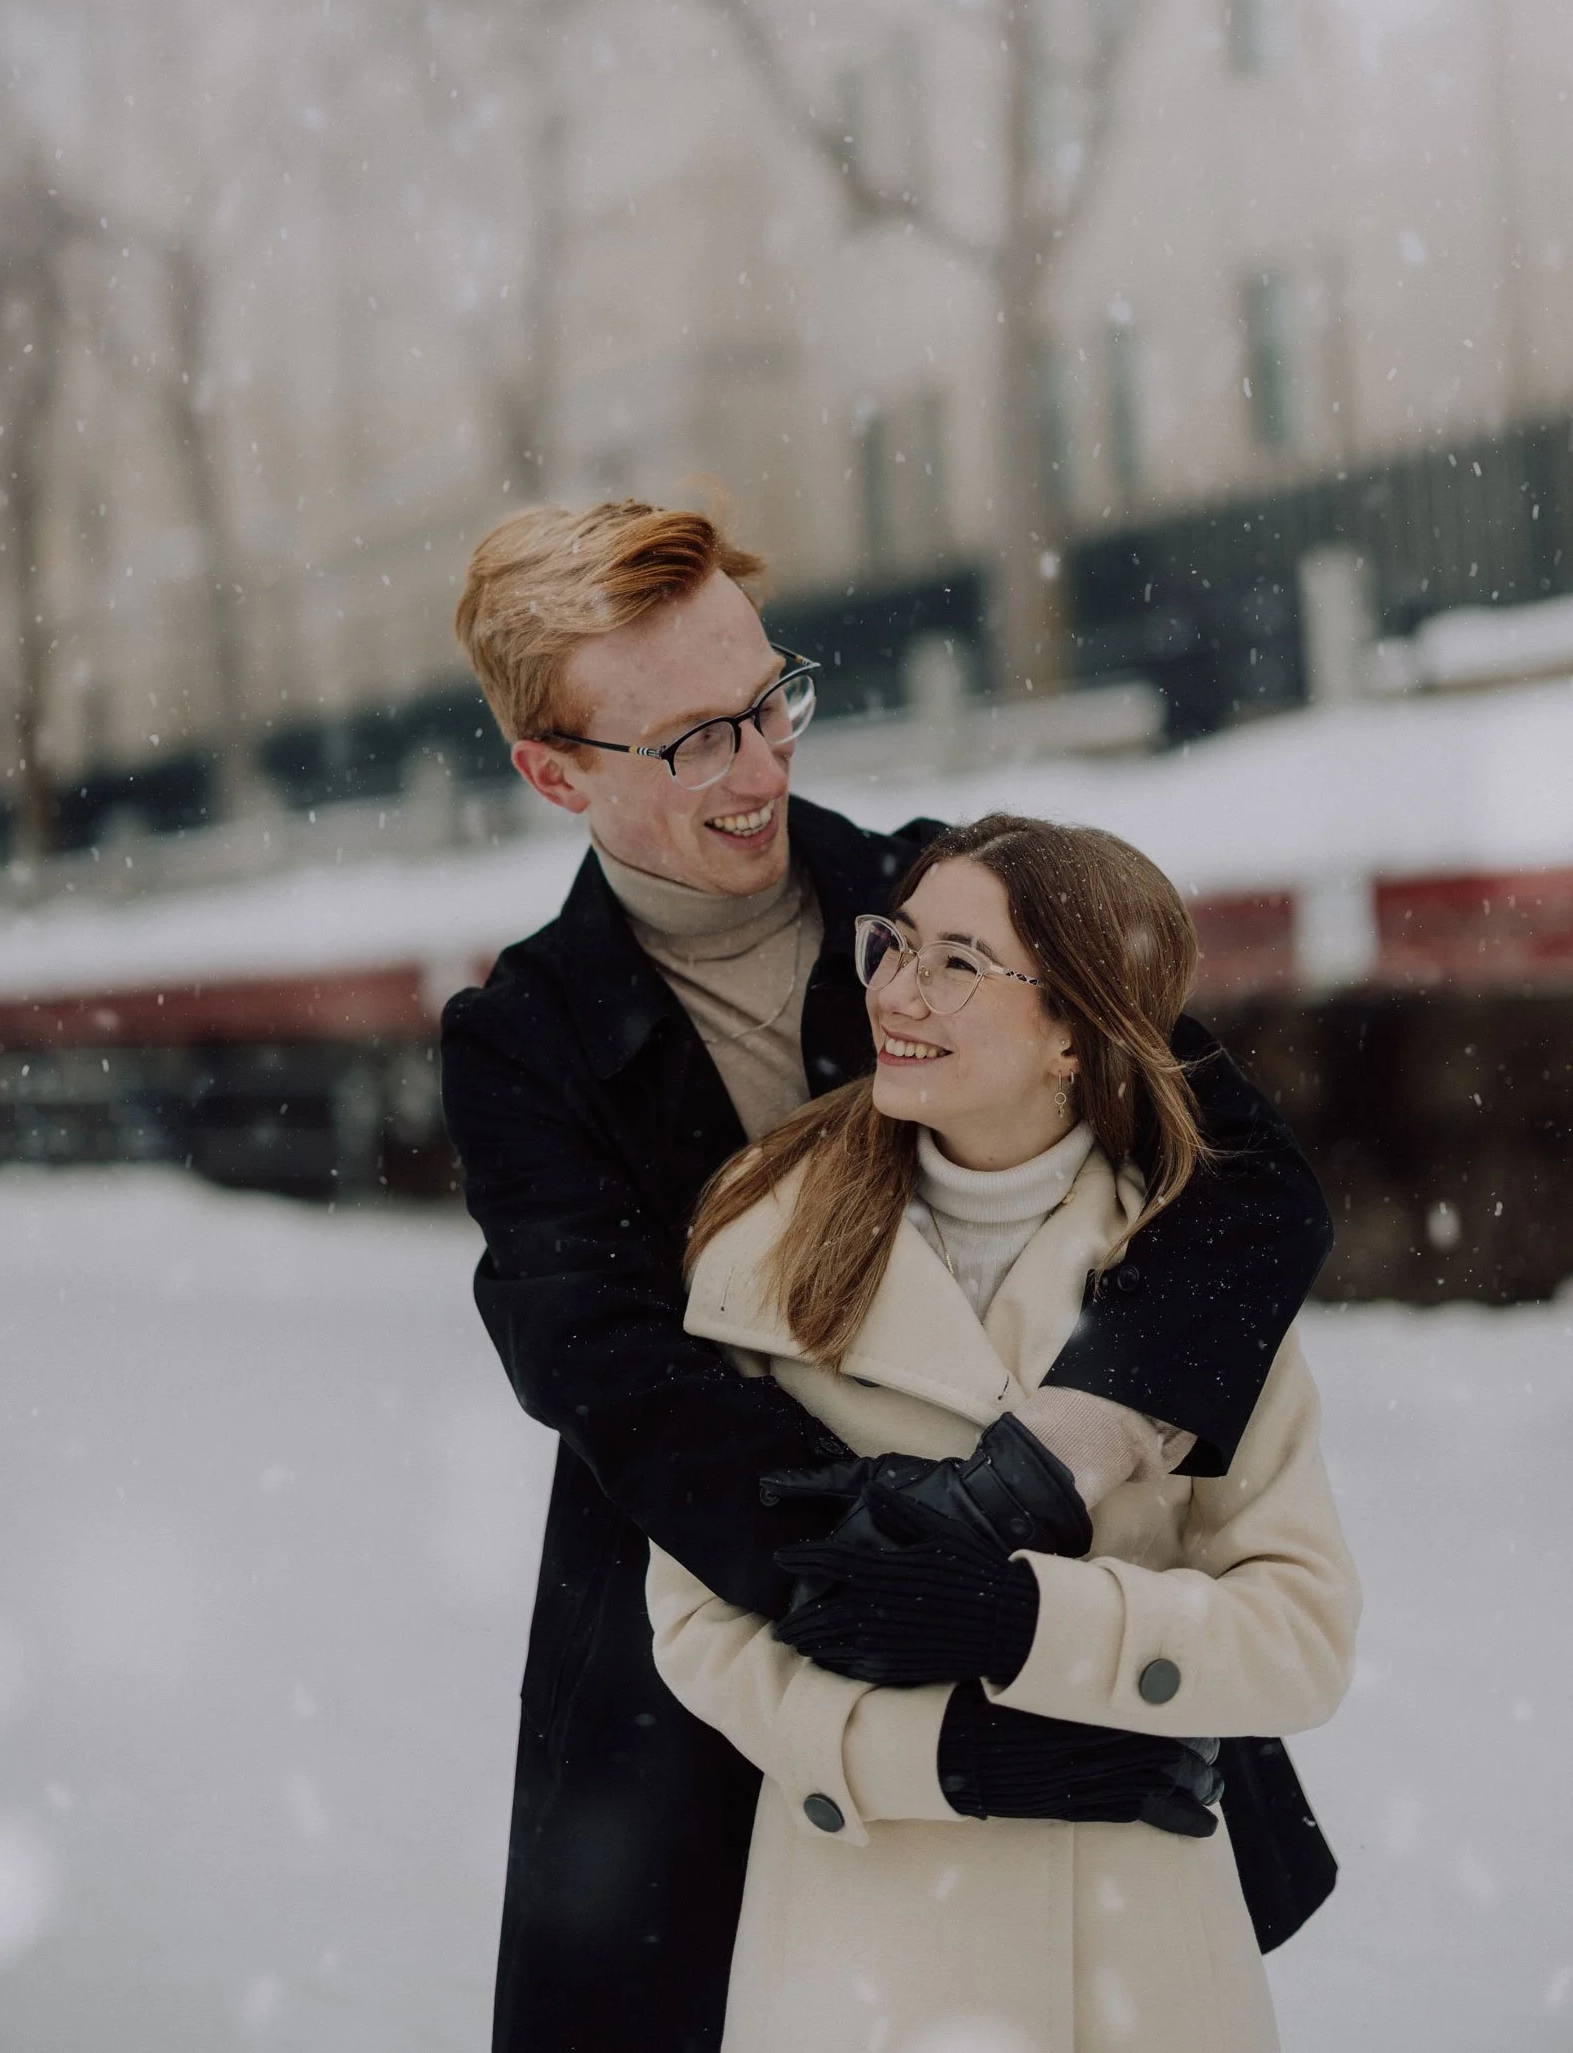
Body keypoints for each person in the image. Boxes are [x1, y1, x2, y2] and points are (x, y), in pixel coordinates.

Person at [440, 498, 1337, 2053]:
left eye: (767, 698)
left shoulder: (957, 904)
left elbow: (1244, 1186)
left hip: (1049, 1632)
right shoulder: (521, 1043)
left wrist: (1025, 1503)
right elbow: (610, 1373)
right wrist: (895, 1614)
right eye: (690, 741)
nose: (760, 765)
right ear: (553, 770)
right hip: (697, 1656)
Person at [649, 813, 1361, 2053]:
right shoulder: (760, 1245)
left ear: (1075, 1036)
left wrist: (1032, 1623)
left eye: (958, 962)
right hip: (859, 1953)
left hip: (1139, 1956)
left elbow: (1301, 1635)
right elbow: (697, 1623)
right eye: (894, 944)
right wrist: (940, 1755)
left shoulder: (1195, 1283)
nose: (897, 991)